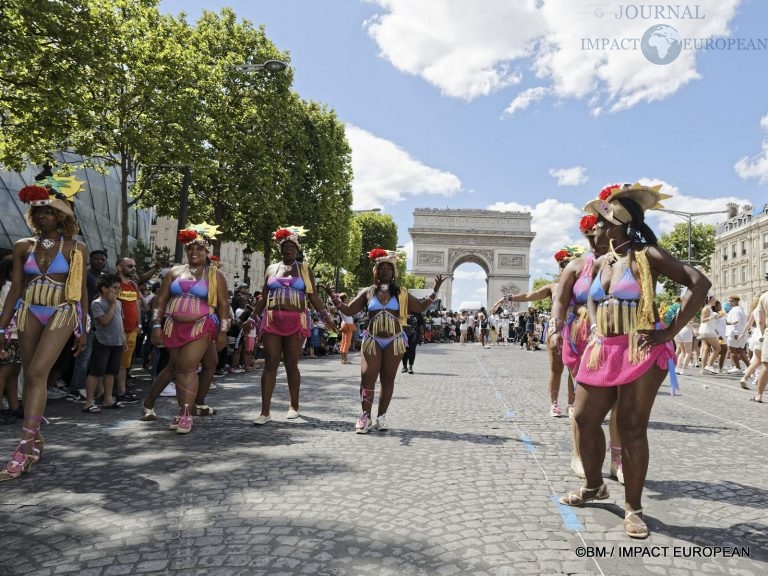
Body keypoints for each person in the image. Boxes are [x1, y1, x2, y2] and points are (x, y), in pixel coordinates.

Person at [559, 183, 709, 539]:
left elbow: (699, 282)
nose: (596, 226)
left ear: (621, 224)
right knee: (582, 417)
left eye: (603, 220)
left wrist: (669, 332)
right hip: (603, 350)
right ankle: (595, 485)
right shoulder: (602, 261)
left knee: (631, 427)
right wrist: (595, 325)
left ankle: (633, 507)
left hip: (639, 349)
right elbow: (594, 299)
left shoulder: (648, 255)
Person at [0, 177, 88, 481]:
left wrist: (84, 328)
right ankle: (35, 437)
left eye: (48, 211)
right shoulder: (23, 246)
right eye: (38, 212)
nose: (42, 217)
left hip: (61, 312)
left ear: (61, 216)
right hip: (28, 311)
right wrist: (1, 328)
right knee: (30, 374)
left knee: (37, 373)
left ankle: (24, 445)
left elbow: (81, 292)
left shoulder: (77, 248)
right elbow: (15, 290)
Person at [325, 248, 445, 433]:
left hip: (394, 340)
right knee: (367, 377)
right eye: (382, 268)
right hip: (372, 339)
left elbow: (420, 307)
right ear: (376, 271)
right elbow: (349, 310)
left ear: (394, 273)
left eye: (389, 268)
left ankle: (381, 417)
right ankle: (365, 417)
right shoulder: (368, 292)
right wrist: (333, 297)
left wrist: (435, 291)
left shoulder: (401, 293)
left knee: (388, 379)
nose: (386, 271)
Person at [550, 215, 624, 482]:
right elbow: (560, 300)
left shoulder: (622, 260)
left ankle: (618, 459)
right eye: (592, 232)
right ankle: (579, 455)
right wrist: (556, 329)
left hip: (616, 335)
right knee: (581, 400)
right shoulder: (576, 265)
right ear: (586, 235)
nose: (598, 236)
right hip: (581, 336)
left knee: (619, 398)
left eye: (601, 230)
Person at [150, 223, 230, 433]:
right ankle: (170, 406)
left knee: (186, 367)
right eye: (190, 248)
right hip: (172, 327)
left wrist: (223, 331)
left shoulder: (215, 276)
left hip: (200, 327)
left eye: (199, 249)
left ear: (206, 252)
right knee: (176, 368)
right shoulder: (174, 272)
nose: (194, 252)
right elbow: (160, 300)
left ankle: (185, 414)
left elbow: (223, 306)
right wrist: (156, 325)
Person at [251, 226, 335, 424]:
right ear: (280, 248)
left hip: (296, 319)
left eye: (292, 245)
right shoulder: (271, 268)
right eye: (285, 245)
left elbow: (313, 295)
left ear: (298, 249)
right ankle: (265, 412)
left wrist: (325, 316)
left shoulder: (305, 269)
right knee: (271, 362)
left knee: (291, 363)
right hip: (272, 318)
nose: (288, 248)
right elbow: (263, 296)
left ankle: (293, 406)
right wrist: (252, 318)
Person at [493, 247, 586, 417]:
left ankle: (572, 403)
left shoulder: (581, 286)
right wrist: (508, 298)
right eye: (562, 265)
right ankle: (554, 403)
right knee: (556, 369)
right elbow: (531, 295)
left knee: (576, 370)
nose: (564, 268)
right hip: (556, 328)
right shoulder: (553, 287)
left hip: (576, 329)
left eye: (567, 264)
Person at [83, 273, 125, 412]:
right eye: (114, 287)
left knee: (111, 372)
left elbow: (120, 322)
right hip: (103, 342)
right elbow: (105, 321)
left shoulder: (118, 302)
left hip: (117, 342)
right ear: (104, 288)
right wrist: (112, 304)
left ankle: (108, 398)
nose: (118, 290)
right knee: (96, 372)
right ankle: (89, 402)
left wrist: (123, 338)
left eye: (119, 287)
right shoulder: (97, 303)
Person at [0, 256, 22, 424]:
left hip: (18, 335)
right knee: (5, 373)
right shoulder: (7, 289)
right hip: (8, 336)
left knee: (14, 372)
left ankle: (14, 408)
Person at [725, 295, 750, 373]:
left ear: (736, 301)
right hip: (739, 333)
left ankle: (737, 367)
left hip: (734, 333)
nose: (729, 303)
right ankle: (750, 368)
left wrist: (736, 333)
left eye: (731, 301)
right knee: (740, 351)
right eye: (729, 301)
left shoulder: (735, 310)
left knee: (732, 350)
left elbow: (737, 322)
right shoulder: (740, 309)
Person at [697, 295, 721, 374]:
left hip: (707, 331)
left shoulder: (709, 308)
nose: (715, 300)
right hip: (707, 331)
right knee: (717, 348)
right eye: (714, 299)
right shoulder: (706, 308)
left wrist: (715, 317)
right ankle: (709, 365)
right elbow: (703, 320)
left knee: (706, 349)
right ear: (709, 300)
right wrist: (712, 317)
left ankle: (703, 370)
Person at [336, 293, 355, 364]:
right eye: (347, 298)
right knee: (347, 342)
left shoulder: (341, 306)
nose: (348, 299)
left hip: (345, 324)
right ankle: (345, 359)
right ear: (344, 299)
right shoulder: (345, 306)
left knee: (343, 342)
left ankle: (342, 359)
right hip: (348, 325)